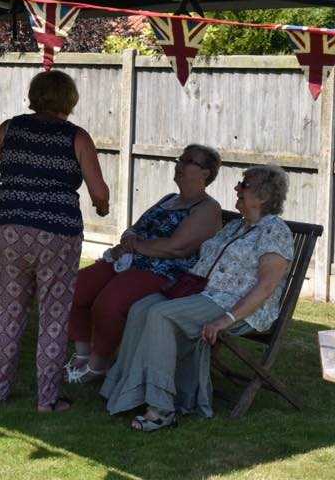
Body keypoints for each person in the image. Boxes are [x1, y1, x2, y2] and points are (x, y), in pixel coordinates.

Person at [100, 164, 294, 431]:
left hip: (235, 306)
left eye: (244, 185)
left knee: (160, 315)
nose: (236, 188)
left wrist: (225, 320)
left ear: (263, 196)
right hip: (202, 293)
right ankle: (125, 390)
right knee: (141, 308)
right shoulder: (236, 226)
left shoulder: (275, 230)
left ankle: (161, 408)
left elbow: (266, 287)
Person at [0, 69, 110, 413]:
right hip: (58, 235)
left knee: (6, 313)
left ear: (35, 96)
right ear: (69, 100)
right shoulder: (77, 137)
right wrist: (102, 207)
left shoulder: (10, 128)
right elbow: (99, 191)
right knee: (54, 315)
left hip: (12, 231)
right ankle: (47, 400)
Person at [66, 144, 222, 384]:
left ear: (206, 173)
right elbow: (134, 228)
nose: (179, 165)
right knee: (76, 287)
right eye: (180, 159)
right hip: (130, 260)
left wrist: (136, 245)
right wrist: (130, 239)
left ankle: (99, 364)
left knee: (110, 303)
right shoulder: (169, 199)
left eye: (188, 161)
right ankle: (83, 354)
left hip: (163, 271)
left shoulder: (207, 208)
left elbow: (176, 248)